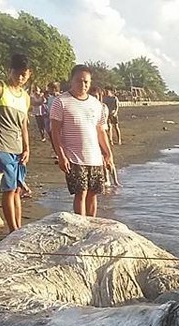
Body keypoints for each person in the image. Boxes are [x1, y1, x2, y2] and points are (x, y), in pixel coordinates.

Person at [50, 65, 113, 217]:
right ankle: (81, 224)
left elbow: (101, 131)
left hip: (95, 158)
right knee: (81, 193)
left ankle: (91, 224)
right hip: (74, 157)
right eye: (79, 81)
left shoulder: (96, 104)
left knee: (93, 193)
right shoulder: (61, 102)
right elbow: (55, 132)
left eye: (86, 82)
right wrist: (61, 156)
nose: (83, 85)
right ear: (71, 81)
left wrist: (108, 154)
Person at [0, 53, 31, 233]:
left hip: (18, 149)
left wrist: (27, 147)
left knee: (17, 190)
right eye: (17, 73)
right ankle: (13, 230)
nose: (20, 77)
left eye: (24, 74)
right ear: (10, 71)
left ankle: (18, 229)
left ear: (29, 74)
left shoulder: (25, 97)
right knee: (8, 190)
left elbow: (24, 124)